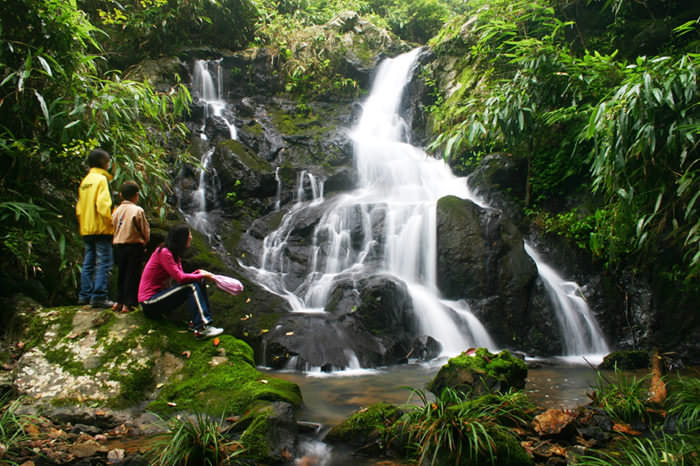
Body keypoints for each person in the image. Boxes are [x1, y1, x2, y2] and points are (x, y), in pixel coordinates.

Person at [138, 224, 223, 339]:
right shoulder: (164, 252)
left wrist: (198, 273)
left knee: (199, 281)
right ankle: (201, 328)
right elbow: (181, 278)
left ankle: (196, 323)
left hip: (159, 298)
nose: (191, 237)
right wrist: (201, 275)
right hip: (149, 302)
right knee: (191, 286)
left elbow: (182, 277)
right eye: (189, 235)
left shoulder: (174, 255)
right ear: (181, 238)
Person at [76, 148, 115, 308]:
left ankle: (84, 295)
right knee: (104, 262)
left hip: (87, 228)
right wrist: (111, 223)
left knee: (88, 262)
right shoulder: (101, 179)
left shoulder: (85, 181)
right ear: (104, 163)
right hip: (101, 228)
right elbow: (103, 205)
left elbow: (78, 207)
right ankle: (99, 296)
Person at [112, 181, 150, 313]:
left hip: (118, 246)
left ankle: (118, 301)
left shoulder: (116, 211)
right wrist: (145, 241)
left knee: (121, 273)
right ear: (137, 195)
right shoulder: (137, 210)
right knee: (132, 274)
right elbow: (144, 229)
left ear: (121, 195)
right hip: (134, 246)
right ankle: (129, 304)